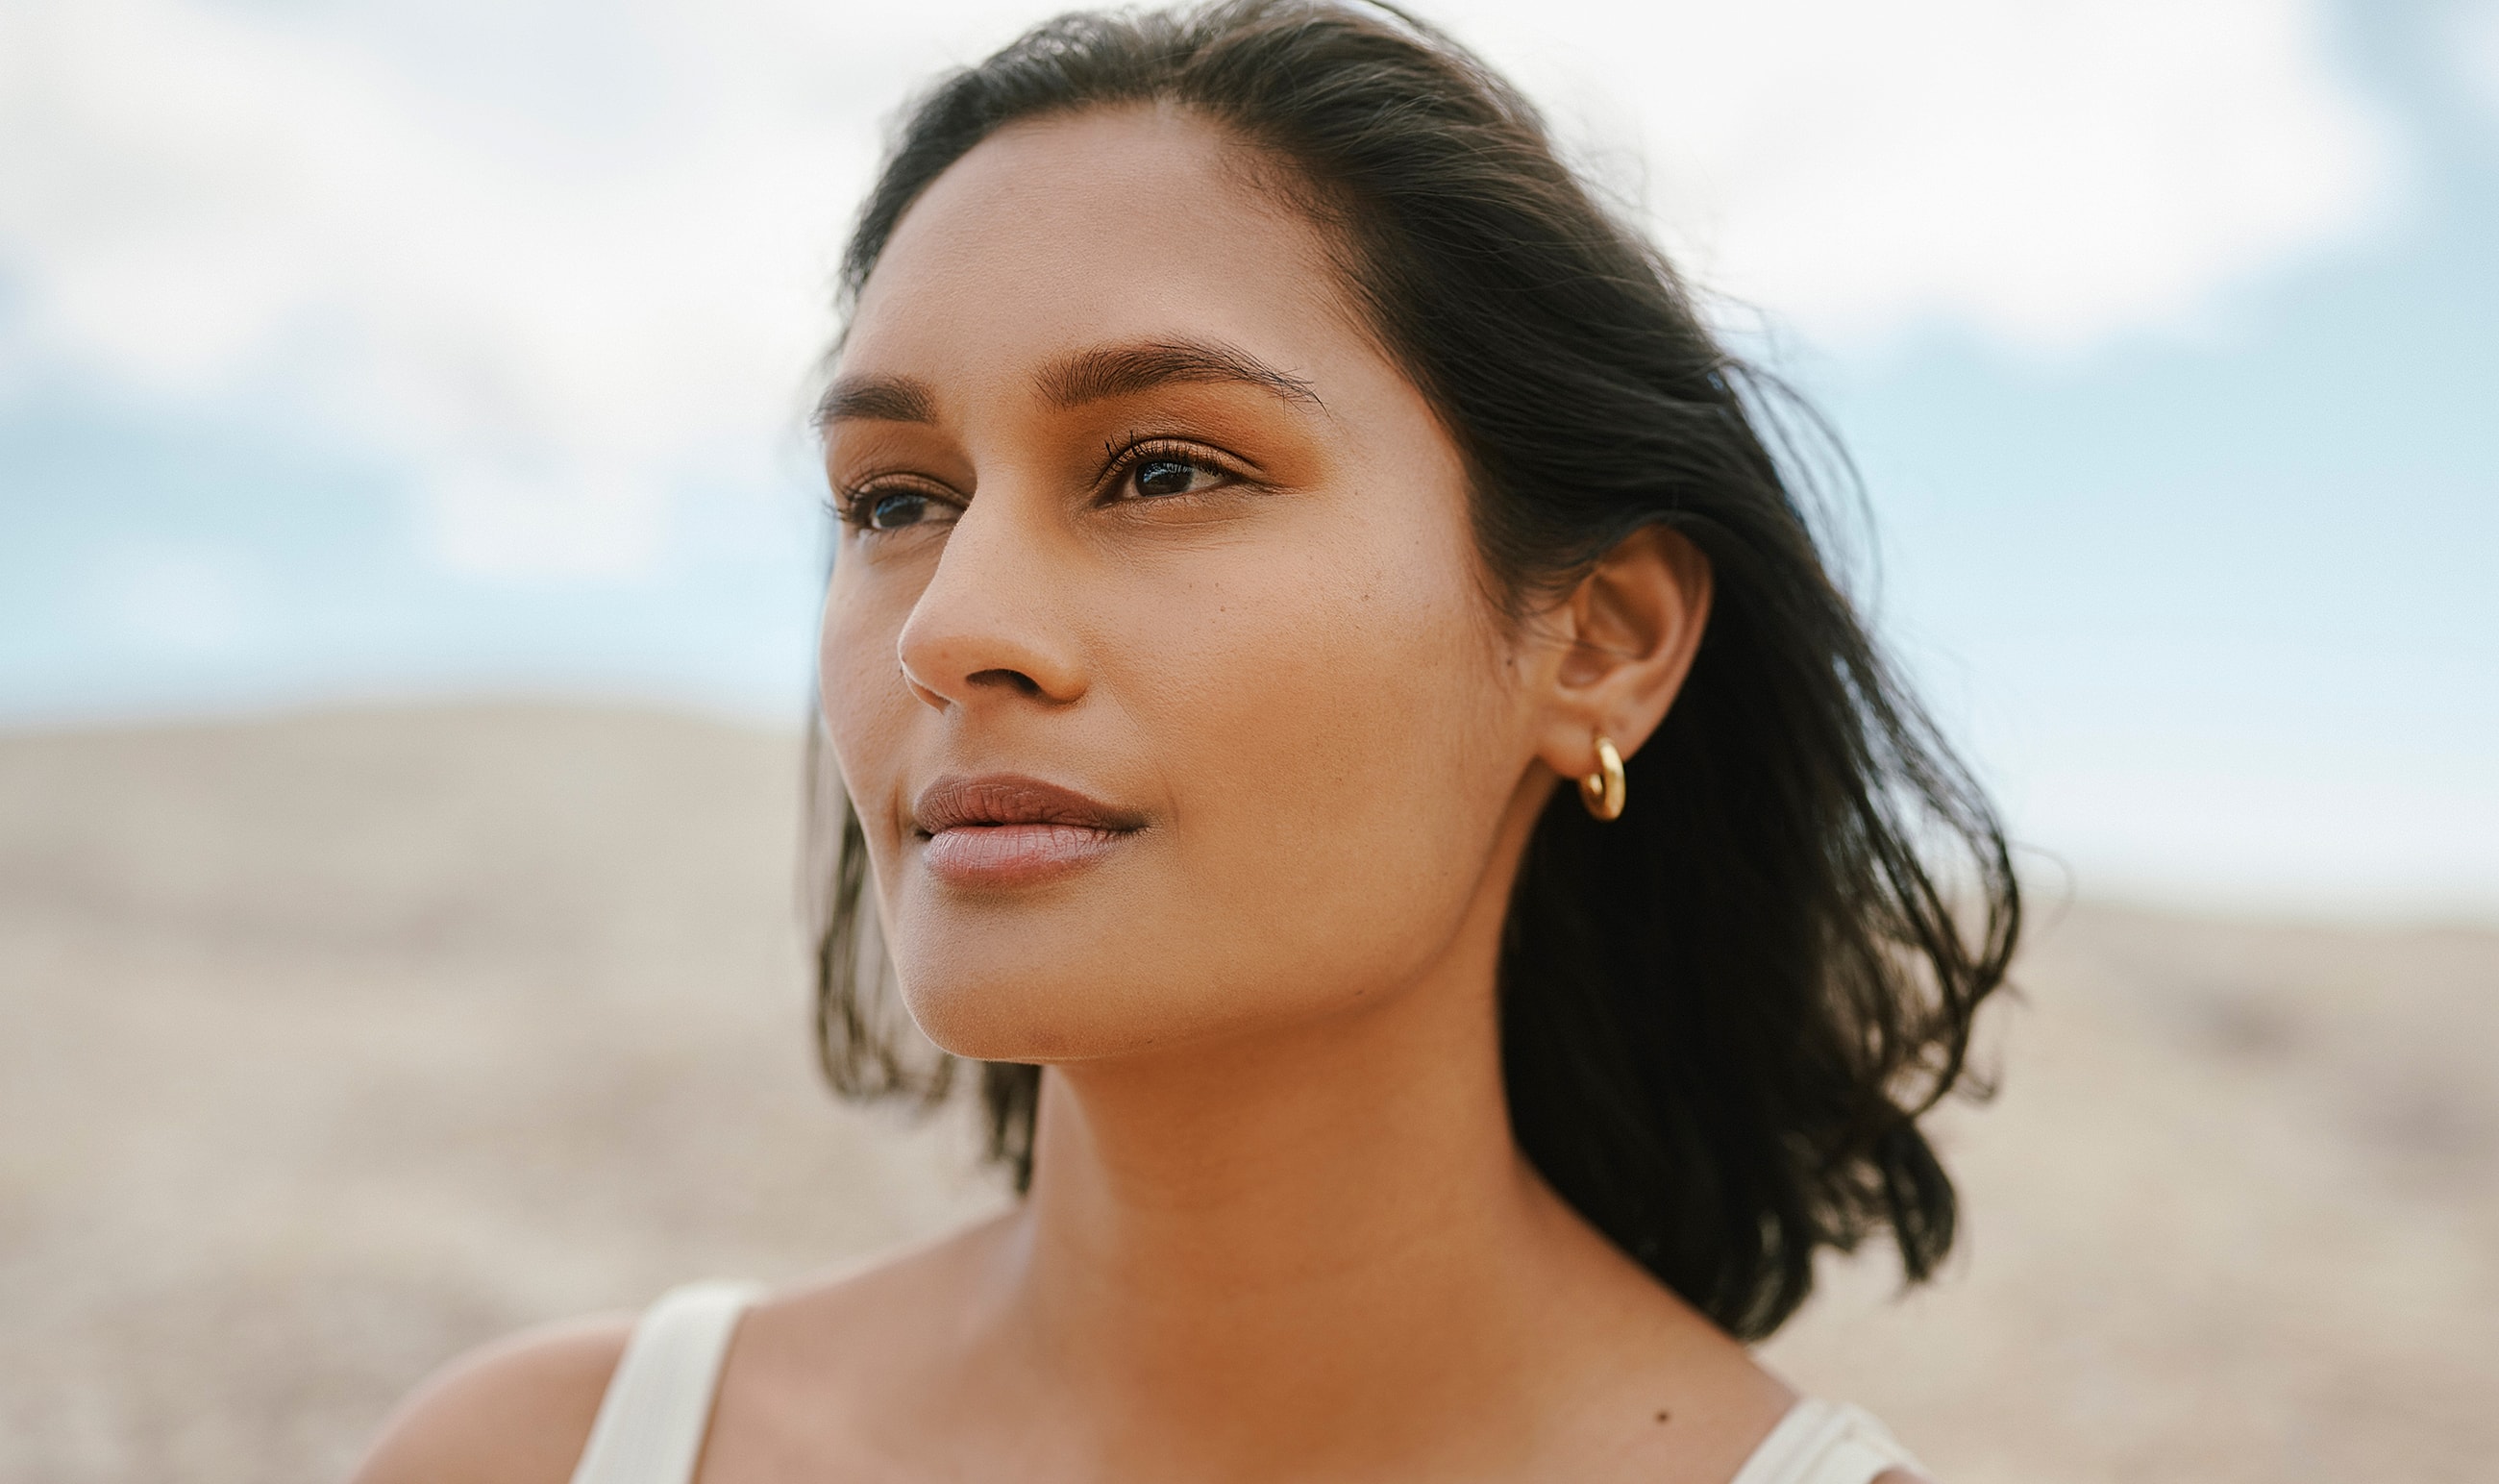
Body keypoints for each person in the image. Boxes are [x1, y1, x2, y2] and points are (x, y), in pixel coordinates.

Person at [354, 2, 2018, 1480]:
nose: (947, 627)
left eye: (1163, 468)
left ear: (1599, 640)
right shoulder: (531, 1459)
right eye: (896, 500)